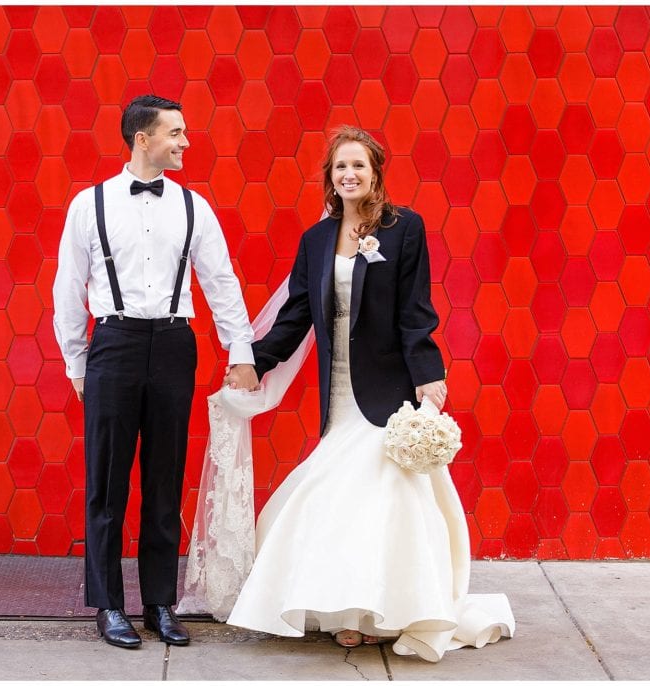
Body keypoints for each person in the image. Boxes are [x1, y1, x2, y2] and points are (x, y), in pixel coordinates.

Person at [221, 126, 513, 661]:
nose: (349, 174)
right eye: (339, 167)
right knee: (334, 493)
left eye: (359, 165)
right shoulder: (315, 239)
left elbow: (414, 310)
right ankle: (347, 611)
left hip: (388, 387)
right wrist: (254, 362)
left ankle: (386, 609)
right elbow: (296, 316)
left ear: (376, 171)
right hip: (338, 390)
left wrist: (428, 373)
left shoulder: (404, 229)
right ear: (329, 177)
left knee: (379, 495)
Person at [53, 94, 259, 649]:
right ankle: (108, 606)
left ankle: (160, 604)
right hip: (113, 342)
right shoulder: (88, 205)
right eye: (176, 133)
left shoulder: (194, 207)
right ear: (143, 139)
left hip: (173, 342)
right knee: (107, 480)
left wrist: (240, 350)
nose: (185, 142)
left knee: (165, 478)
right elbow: (68, 289)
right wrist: (77, 360)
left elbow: (221, 282)